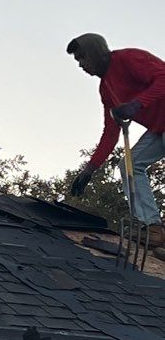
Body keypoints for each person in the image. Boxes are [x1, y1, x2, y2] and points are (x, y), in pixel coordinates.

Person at [67, 33, 165, 248]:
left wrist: (138, 103)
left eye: (83, 57)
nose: (82, 65)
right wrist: (90, 169)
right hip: (160, 129)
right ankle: (153, 228)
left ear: (96, 52)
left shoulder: (128, 58)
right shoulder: (106, 89)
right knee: (130, 165)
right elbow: (111, 132)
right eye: (78, 60)